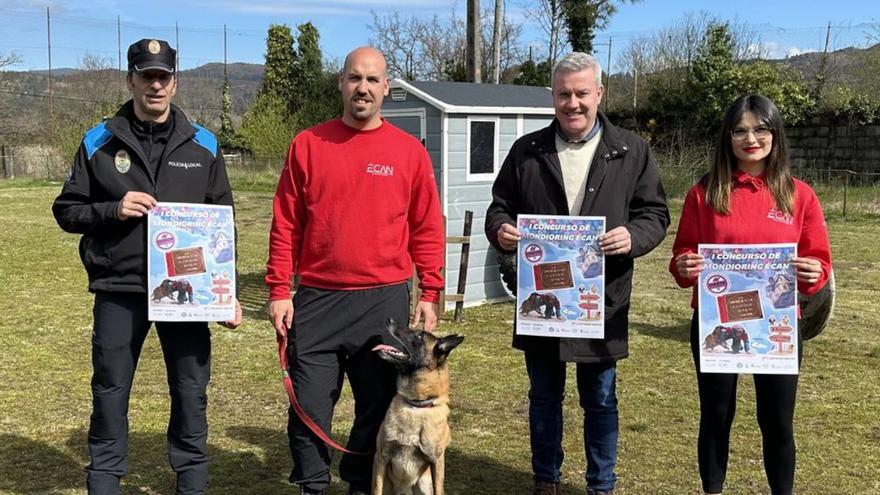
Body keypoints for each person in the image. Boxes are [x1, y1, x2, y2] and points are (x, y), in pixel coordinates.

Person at [52, 38, 241, 494]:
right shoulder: (99, 141)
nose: (155, 85)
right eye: (146, 75)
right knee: (111, 391)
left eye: (163, 76)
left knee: (191, 392)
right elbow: (66, 210)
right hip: (121, 287)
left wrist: (224, 292)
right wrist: (112, 209)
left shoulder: (204, 145)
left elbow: (223, 225)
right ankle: (105, 480)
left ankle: (191, 483)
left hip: (187, 296)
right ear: (131, 79)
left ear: (175, 83)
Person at [485, 52, 670, 495]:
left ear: (599, 94)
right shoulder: (526, 151)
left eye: (582, 93)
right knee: (544, 398)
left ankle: (600, 485)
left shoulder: (630, 150)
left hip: (600, 300)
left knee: (601, 399)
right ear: (553, 96)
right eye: (564, 94)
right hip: (542, 303)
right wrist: (501, 231)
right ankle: (545, 480)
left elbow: (655, 213)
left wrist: (632, 236)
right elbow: (499, 207)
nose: (573, 103)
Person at [265, 46, 444, 495]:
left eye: (372, 80)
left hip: (381, 301)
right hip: (318, 299)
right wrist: (278, 289)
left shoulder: (409, 153)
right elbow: (286, 222)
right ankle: (311, 485)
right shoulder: (308, 144)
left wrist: (430, 291)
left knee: (376, 407)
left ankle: (363, 485)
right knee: (308, 404)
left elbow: (426, 225)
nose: (362, 88)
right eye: (353, 78)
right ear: (341, 83)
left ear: (386, 87)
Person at [669, 94, 831, 495]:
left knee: (777, 421)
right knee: (716, 415)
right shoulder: (703, 194)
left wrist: (814, 273)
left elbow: (819, 264)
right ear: (727, 137)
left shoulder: (800, 195)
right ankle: (712, 489)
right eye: (740, 130)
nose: (750, 139)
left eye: (760, 129)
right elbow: (681, 258)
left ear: (775, 134)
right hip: (716, 324)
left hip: (778, 327)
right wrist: (684, 267)